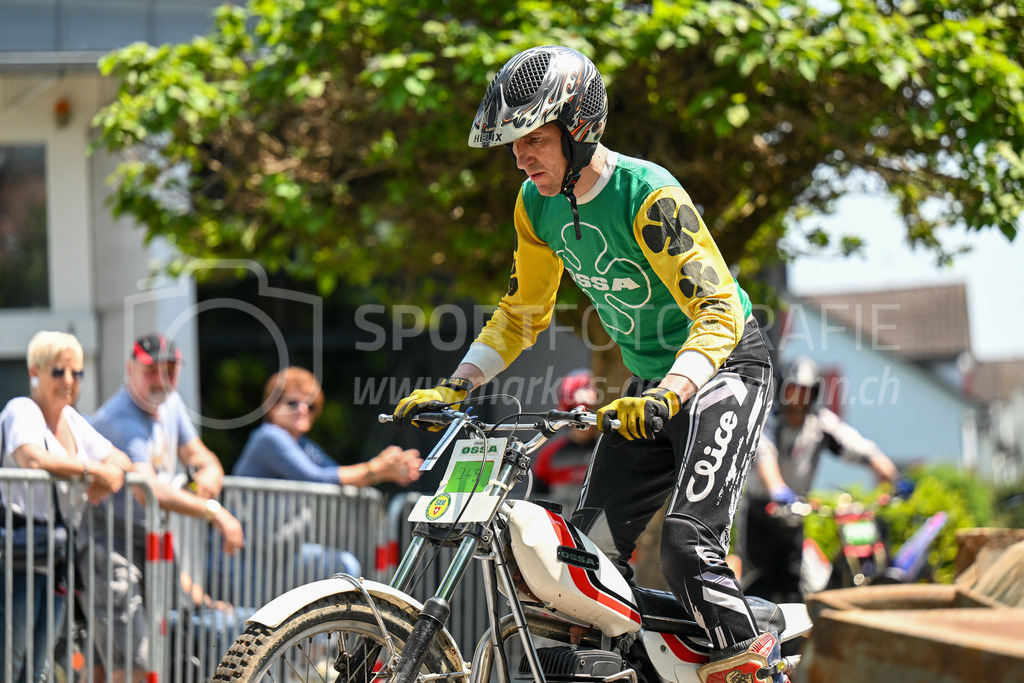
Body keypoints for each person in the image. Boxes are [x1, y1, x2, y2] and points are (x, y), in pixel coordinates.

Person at [394, 46, 784, 683]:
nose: (520, 157)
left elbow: (717, 309)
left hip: (722, 370)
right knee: (585, 566)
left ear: (579, 127)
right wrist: (456, 385)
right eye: (513, 143)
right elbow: (523, 309)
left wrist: (671, 391)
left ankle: (756, 667)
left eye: (533, 139)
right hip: (651, 386)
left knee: (688, 546)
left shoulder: (647, 194)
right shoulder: (536, 204)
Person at [84, 333, 244, 683]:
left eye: (169, 370)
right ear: (130, 370)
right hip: (109, 544)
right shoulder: (120, 418)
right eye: (151, 370)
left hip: (150, 542)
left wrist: (209, 475)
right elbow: (149, 492)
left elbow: (202, 456)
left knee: (103, 663)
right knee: (134, 660)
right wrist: (215, 512)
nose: (161, 379)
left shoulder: (171, 405)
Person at [0, 330, 129, 683]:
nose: (68, 381)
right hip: (15, 554)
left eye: (76, 372)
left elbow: (119, 460)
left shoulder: (72, 420)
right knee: (10, 660)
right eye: (58, 371)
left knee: (40, 666)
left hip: (54, 556)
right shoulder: (22, 409)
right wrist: (92, 472)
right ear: (35, 371)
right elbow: (31, 458)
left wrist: (106, 473)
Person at [739, 356, 902, 604]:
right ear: (783, 389)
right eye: (794, 390)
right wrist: (778, 490)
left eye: (806, 391)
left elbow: (856, 446)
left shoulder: (820, 424)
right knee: (758, 588)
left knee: (793, 589)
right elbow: (764, 456)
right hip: (764, 515)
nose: (799, 398)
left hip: (795, 516)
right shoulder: (768, 420)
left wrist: (887, 471)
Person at [231, 366, 423, 577]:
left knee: (343, 567)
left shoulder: (303, 445)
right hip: (241, 558)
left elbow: (337, 473)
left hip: (278, 555)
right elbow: (314, 478)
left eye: (311, 406)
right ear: (272, 407)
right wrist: (377, 469)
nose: (303, 409)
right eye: (293, 402)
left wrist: (388, 466)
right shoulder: (268, 436)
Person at [530, 368, 601, 512]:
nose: (584, 418)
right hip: (560, 530)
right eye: (576, 411)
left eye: (591, 411)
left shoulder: (610, 452)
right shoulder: (549, 455)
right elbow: (536, 503)